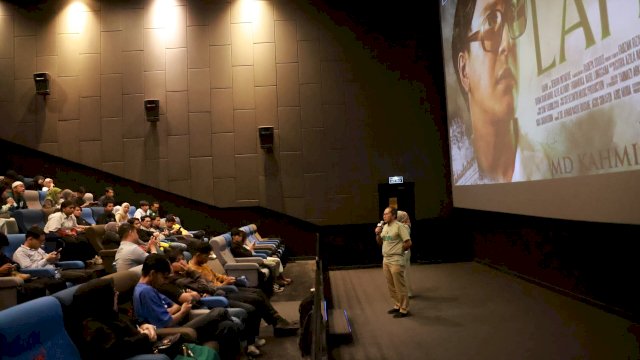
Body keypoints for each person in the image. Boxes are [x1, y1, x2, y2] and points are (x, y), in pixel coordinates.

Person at [451, 0, 548, 184]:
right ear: (464, 70)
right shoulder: (460, 175)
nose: (508, 43)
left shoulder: (547, 166)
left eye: (511, 20)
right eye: (490, 21)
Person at [133, 254, 242, 360]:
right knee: (220, 312)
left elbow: (175, 306)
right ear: (153, 273)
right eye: (163, 277)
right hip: (173, 332)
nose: (163, 281)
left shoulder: (149, 288)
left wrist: (169, 311)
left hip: (178, 324)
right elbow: (167, 323)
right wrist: (182, 312)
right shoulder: (145, 291)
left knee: (227, 325)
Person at [160, 248, 265, 357]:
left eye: (183, 259)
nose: (183, 262)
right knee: (234, 314)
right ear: (170, 266)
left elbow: (205, 287)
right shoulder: (177, 280)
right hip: (207, 303)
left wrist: (196, 292)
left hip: (216, 295)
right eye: (178, 261)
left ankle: (249, 344)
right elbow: (205, 288)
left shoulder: (185, 274)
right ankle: (249, 344)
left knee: (254, 298)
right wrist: (193, 278)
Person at [186, 243, 298, 335]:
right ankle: (276, 323)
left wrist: (228, 278)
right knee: (255, 300)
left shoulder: (203, 265)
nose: (208, 258)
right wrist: (224, 283)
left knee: (258, 292)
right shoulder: (192, 271)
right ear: (198, 254)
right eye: (206, 256)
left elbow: (216, 276)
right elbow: (206, 289)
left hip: (225, 288)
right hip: (219, 293)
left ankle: (277, 320)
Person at [70, 277, 164, 360]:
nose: (117, 293)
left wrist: (143, 325)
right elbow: (118, 349)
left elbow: (131, 321)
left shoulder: (109, 312)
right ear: (103, 299)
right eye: (113, 292)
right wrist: (145, 336)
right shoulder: (92, 326)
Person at [13, 226, 91, 285]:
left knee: (89, 273)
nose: (41, 244)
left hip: (55, 271)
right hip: (44, 276)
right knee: (81, 276)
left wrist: (55, 258)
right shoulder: (20, 252)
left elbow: (48, 259)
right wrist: (46, 260)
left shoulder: (37, 249)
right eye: (40, 242)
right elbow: (29, 271)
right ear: (30, 239)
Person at [375, 207, 412, 318]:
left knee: (399, 285)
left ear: (394, 215)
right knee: (391, 285)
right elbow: (380, 242)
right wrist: (377, 234)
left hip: (396, 260)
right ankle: (397, 305)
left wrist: (399, 251)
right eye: (384, 214)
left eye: (386, 214)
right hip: (386, 259)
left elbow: (408, 242)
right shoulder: (385, 227)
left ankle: (404, 309)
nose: (384, 216)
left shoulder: (400, 227)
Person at [396, 210, 413, 298]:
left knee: (403, 272)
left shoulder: (404, 227)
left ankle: (406, 292)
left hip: (403, 252)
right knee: (403, 271)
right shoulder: (401, 226)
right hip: (403, 252)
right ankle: (406, 291)